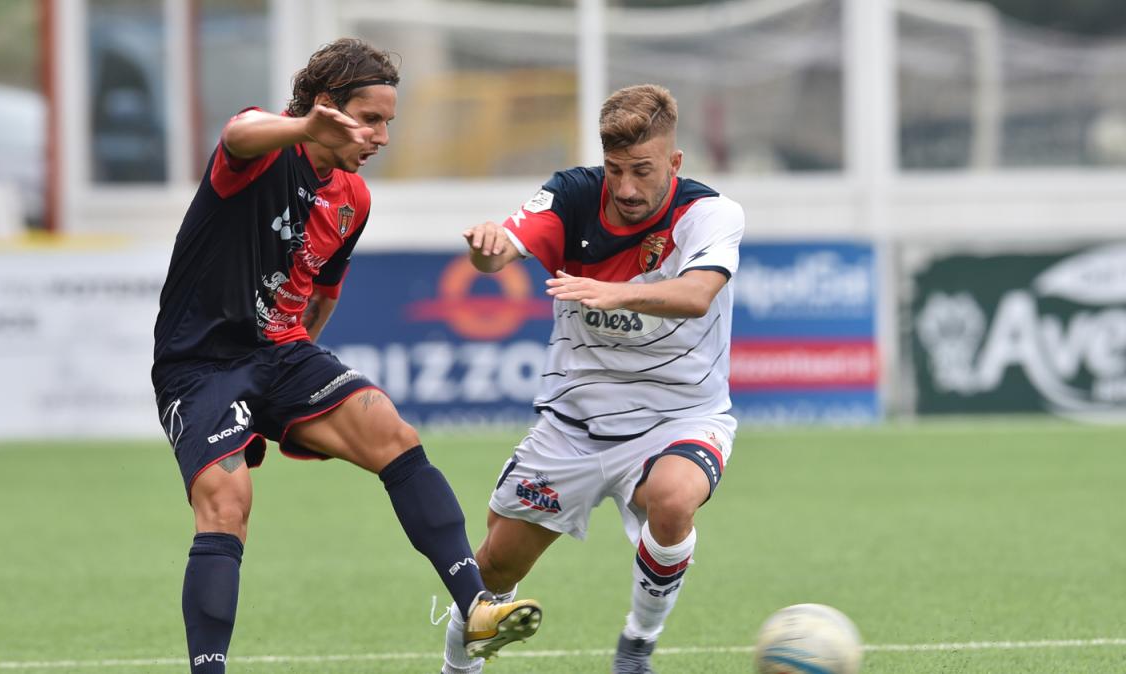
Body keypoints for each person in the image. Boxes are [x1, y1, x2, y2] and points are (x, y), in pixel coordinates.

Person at [151, 38, 541, 673]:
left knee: (393, 432)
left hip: (282, 352)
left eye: (389, 120)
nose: (383, 135)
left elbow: (321, 290)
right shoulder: (262, 152)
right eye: (372, 118)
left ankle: (475, 609)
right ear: (327, 109)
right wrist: (301, 127)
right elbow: (239, 131)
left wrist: (303, 371)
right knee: (227, 506)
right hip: (201, 364)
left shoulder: (353, 199)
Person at [438, 84, 744, 674]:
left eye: (643, 171)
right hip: (574, 425)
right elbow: (502, 254)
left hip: (678, 417)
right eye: (615, 170)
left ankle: (637, 644)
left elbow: (699, 294)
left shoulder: (710, 213)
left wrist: (614, 290)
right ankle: (459, 668)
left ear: (674, 164)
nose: (626, 187)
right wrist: (485, 251)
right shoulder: (571, 196)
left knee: (674, 498)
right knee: (496, 567)